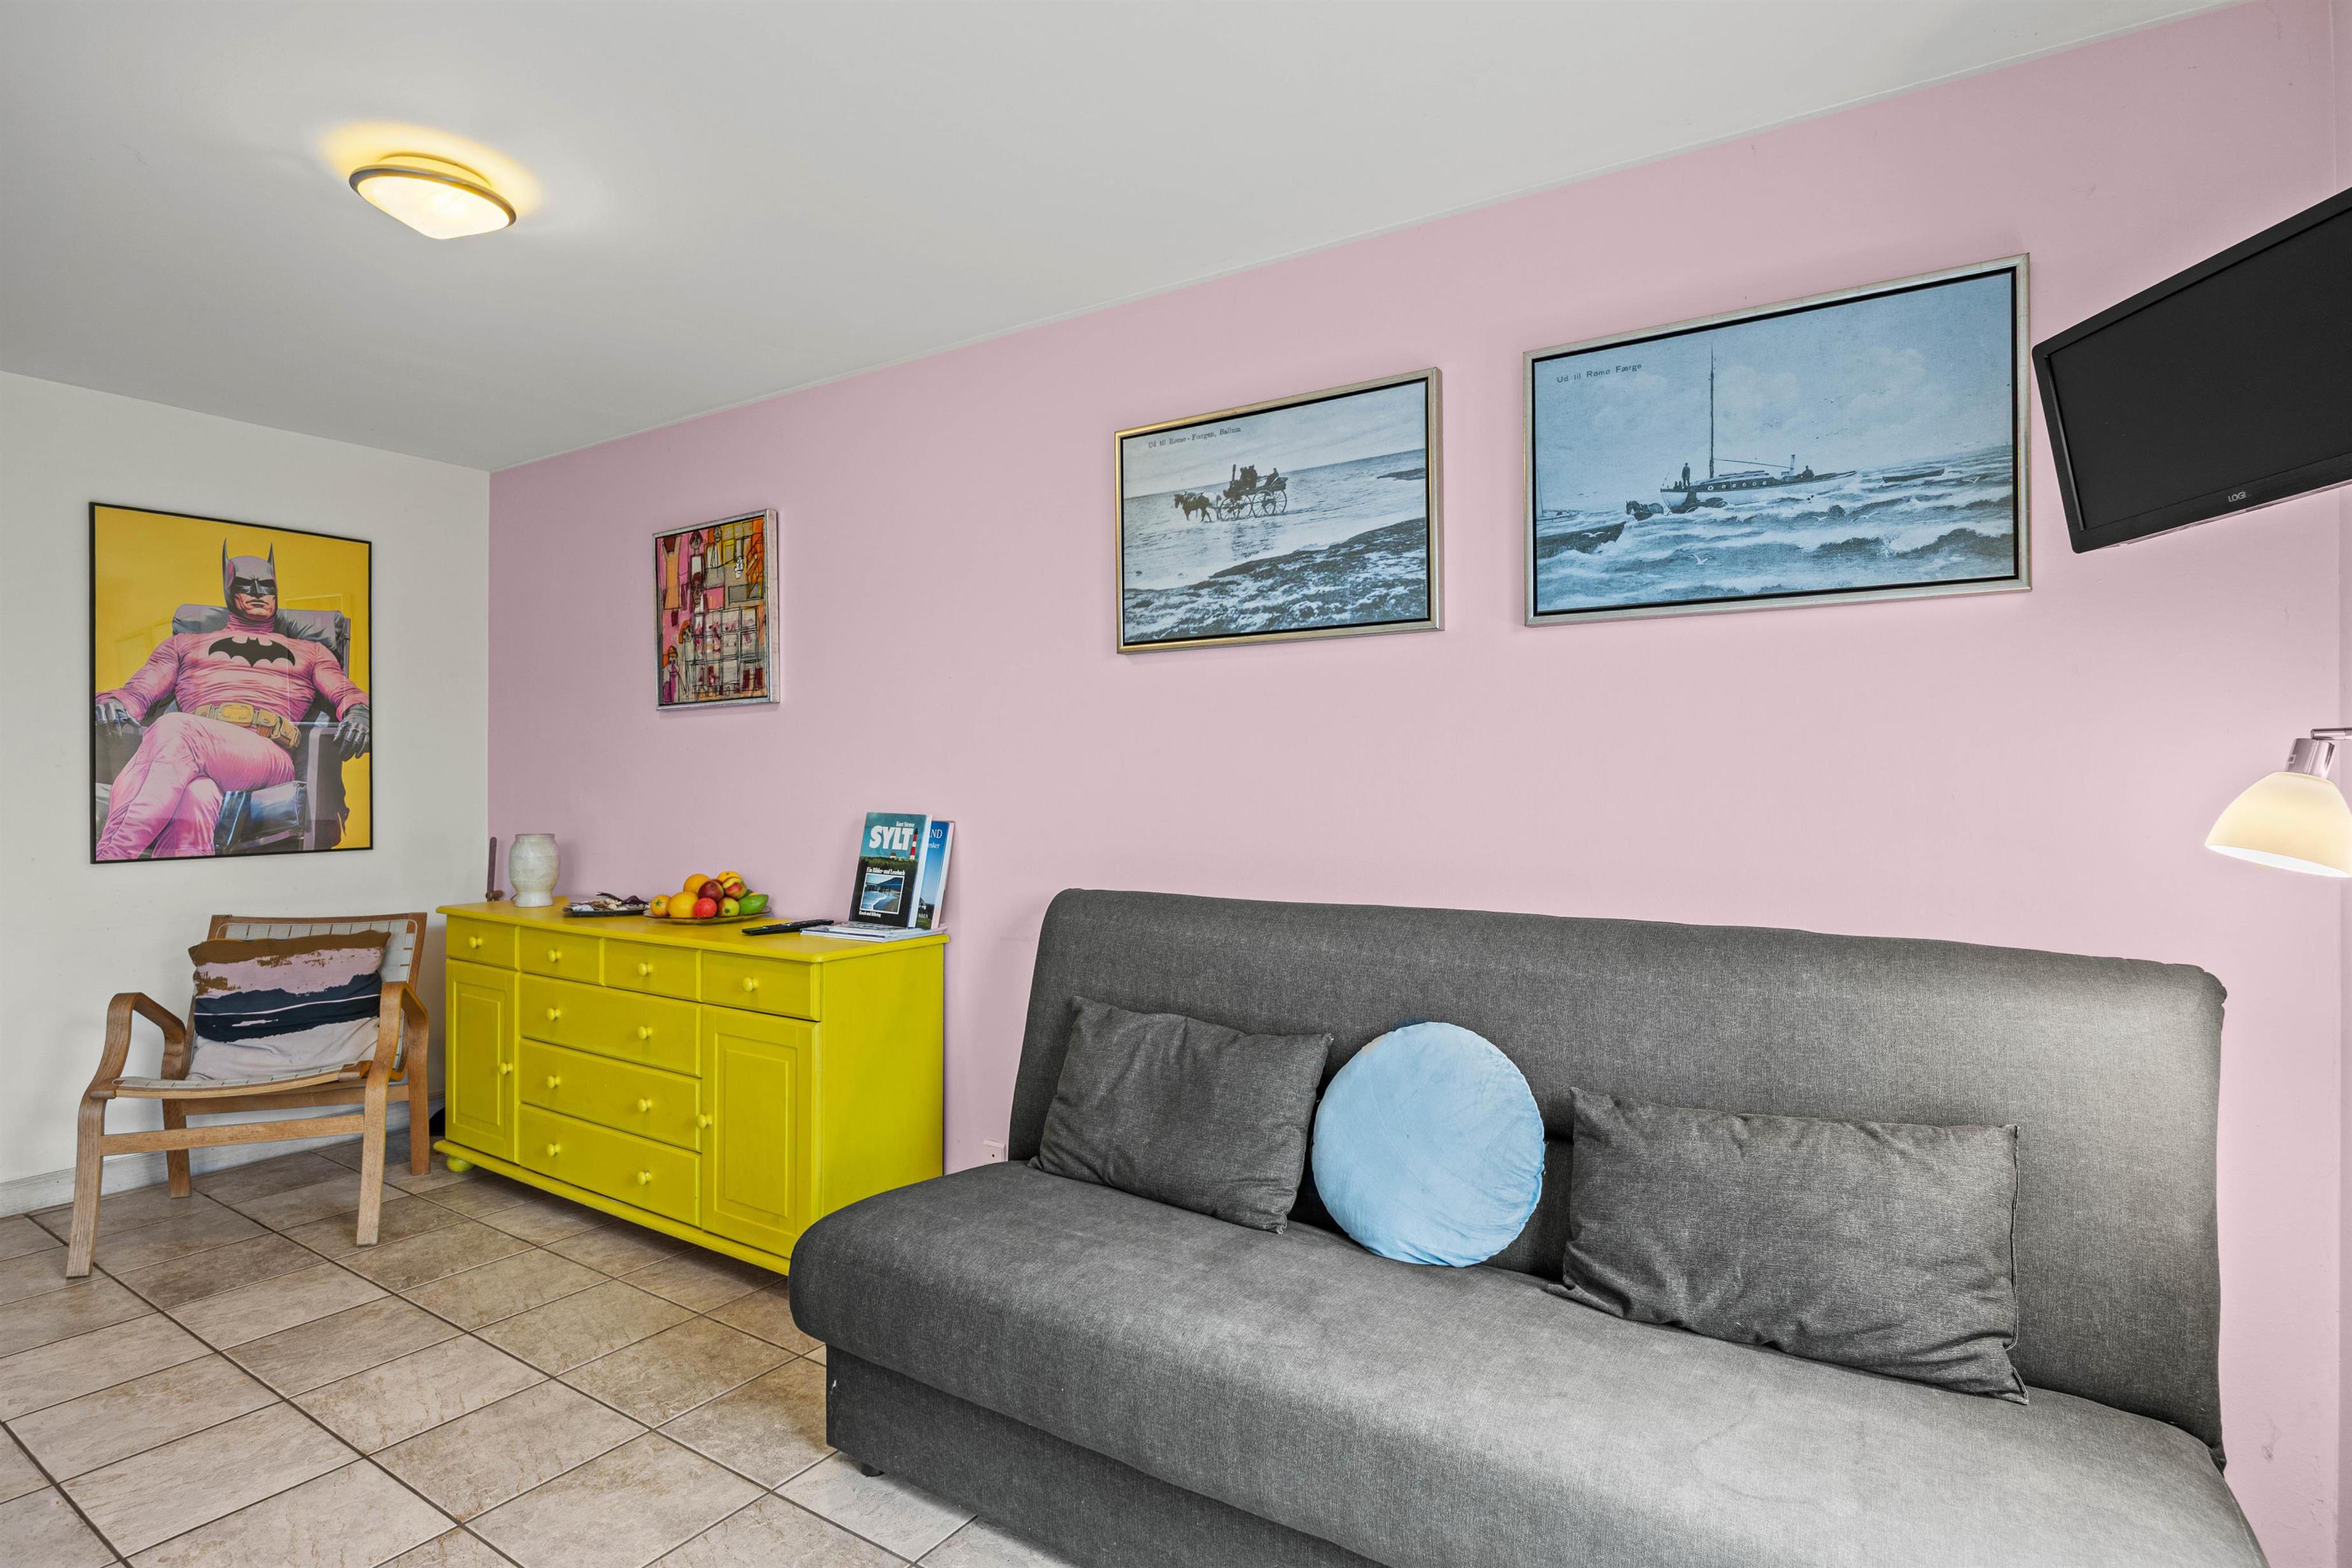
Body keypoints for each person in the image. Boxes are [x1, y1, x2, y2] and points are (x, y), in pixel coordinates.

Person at [94, 547, 370, 859]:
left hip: (265, 754)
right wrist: (115, 703)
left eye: (266, 585)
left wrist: (359, 713)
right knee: (197, 795)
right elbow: (139, 691)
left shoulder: (311, 652)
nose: (258, 593)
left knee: (175, 729)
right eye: (245, 585)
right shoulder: (184, 645)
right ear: (228, 590)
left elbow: (347, 693)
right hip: (196, 749)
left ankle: (113, 855)